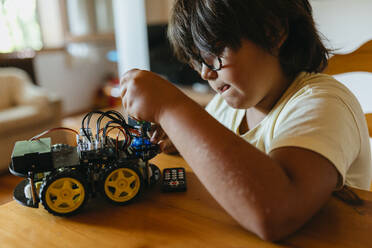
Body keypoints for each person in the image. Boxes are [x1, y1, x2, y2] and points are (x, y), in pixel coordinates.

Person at [120, 0, 372, 241]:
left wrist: (171, 107)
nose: (206, 72)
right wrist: (184, 137)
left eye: (214, 52)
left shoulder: (325, 102)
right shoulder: (226, 108)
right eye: (197, 60)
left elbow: (277, 211)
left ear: (273, 32)